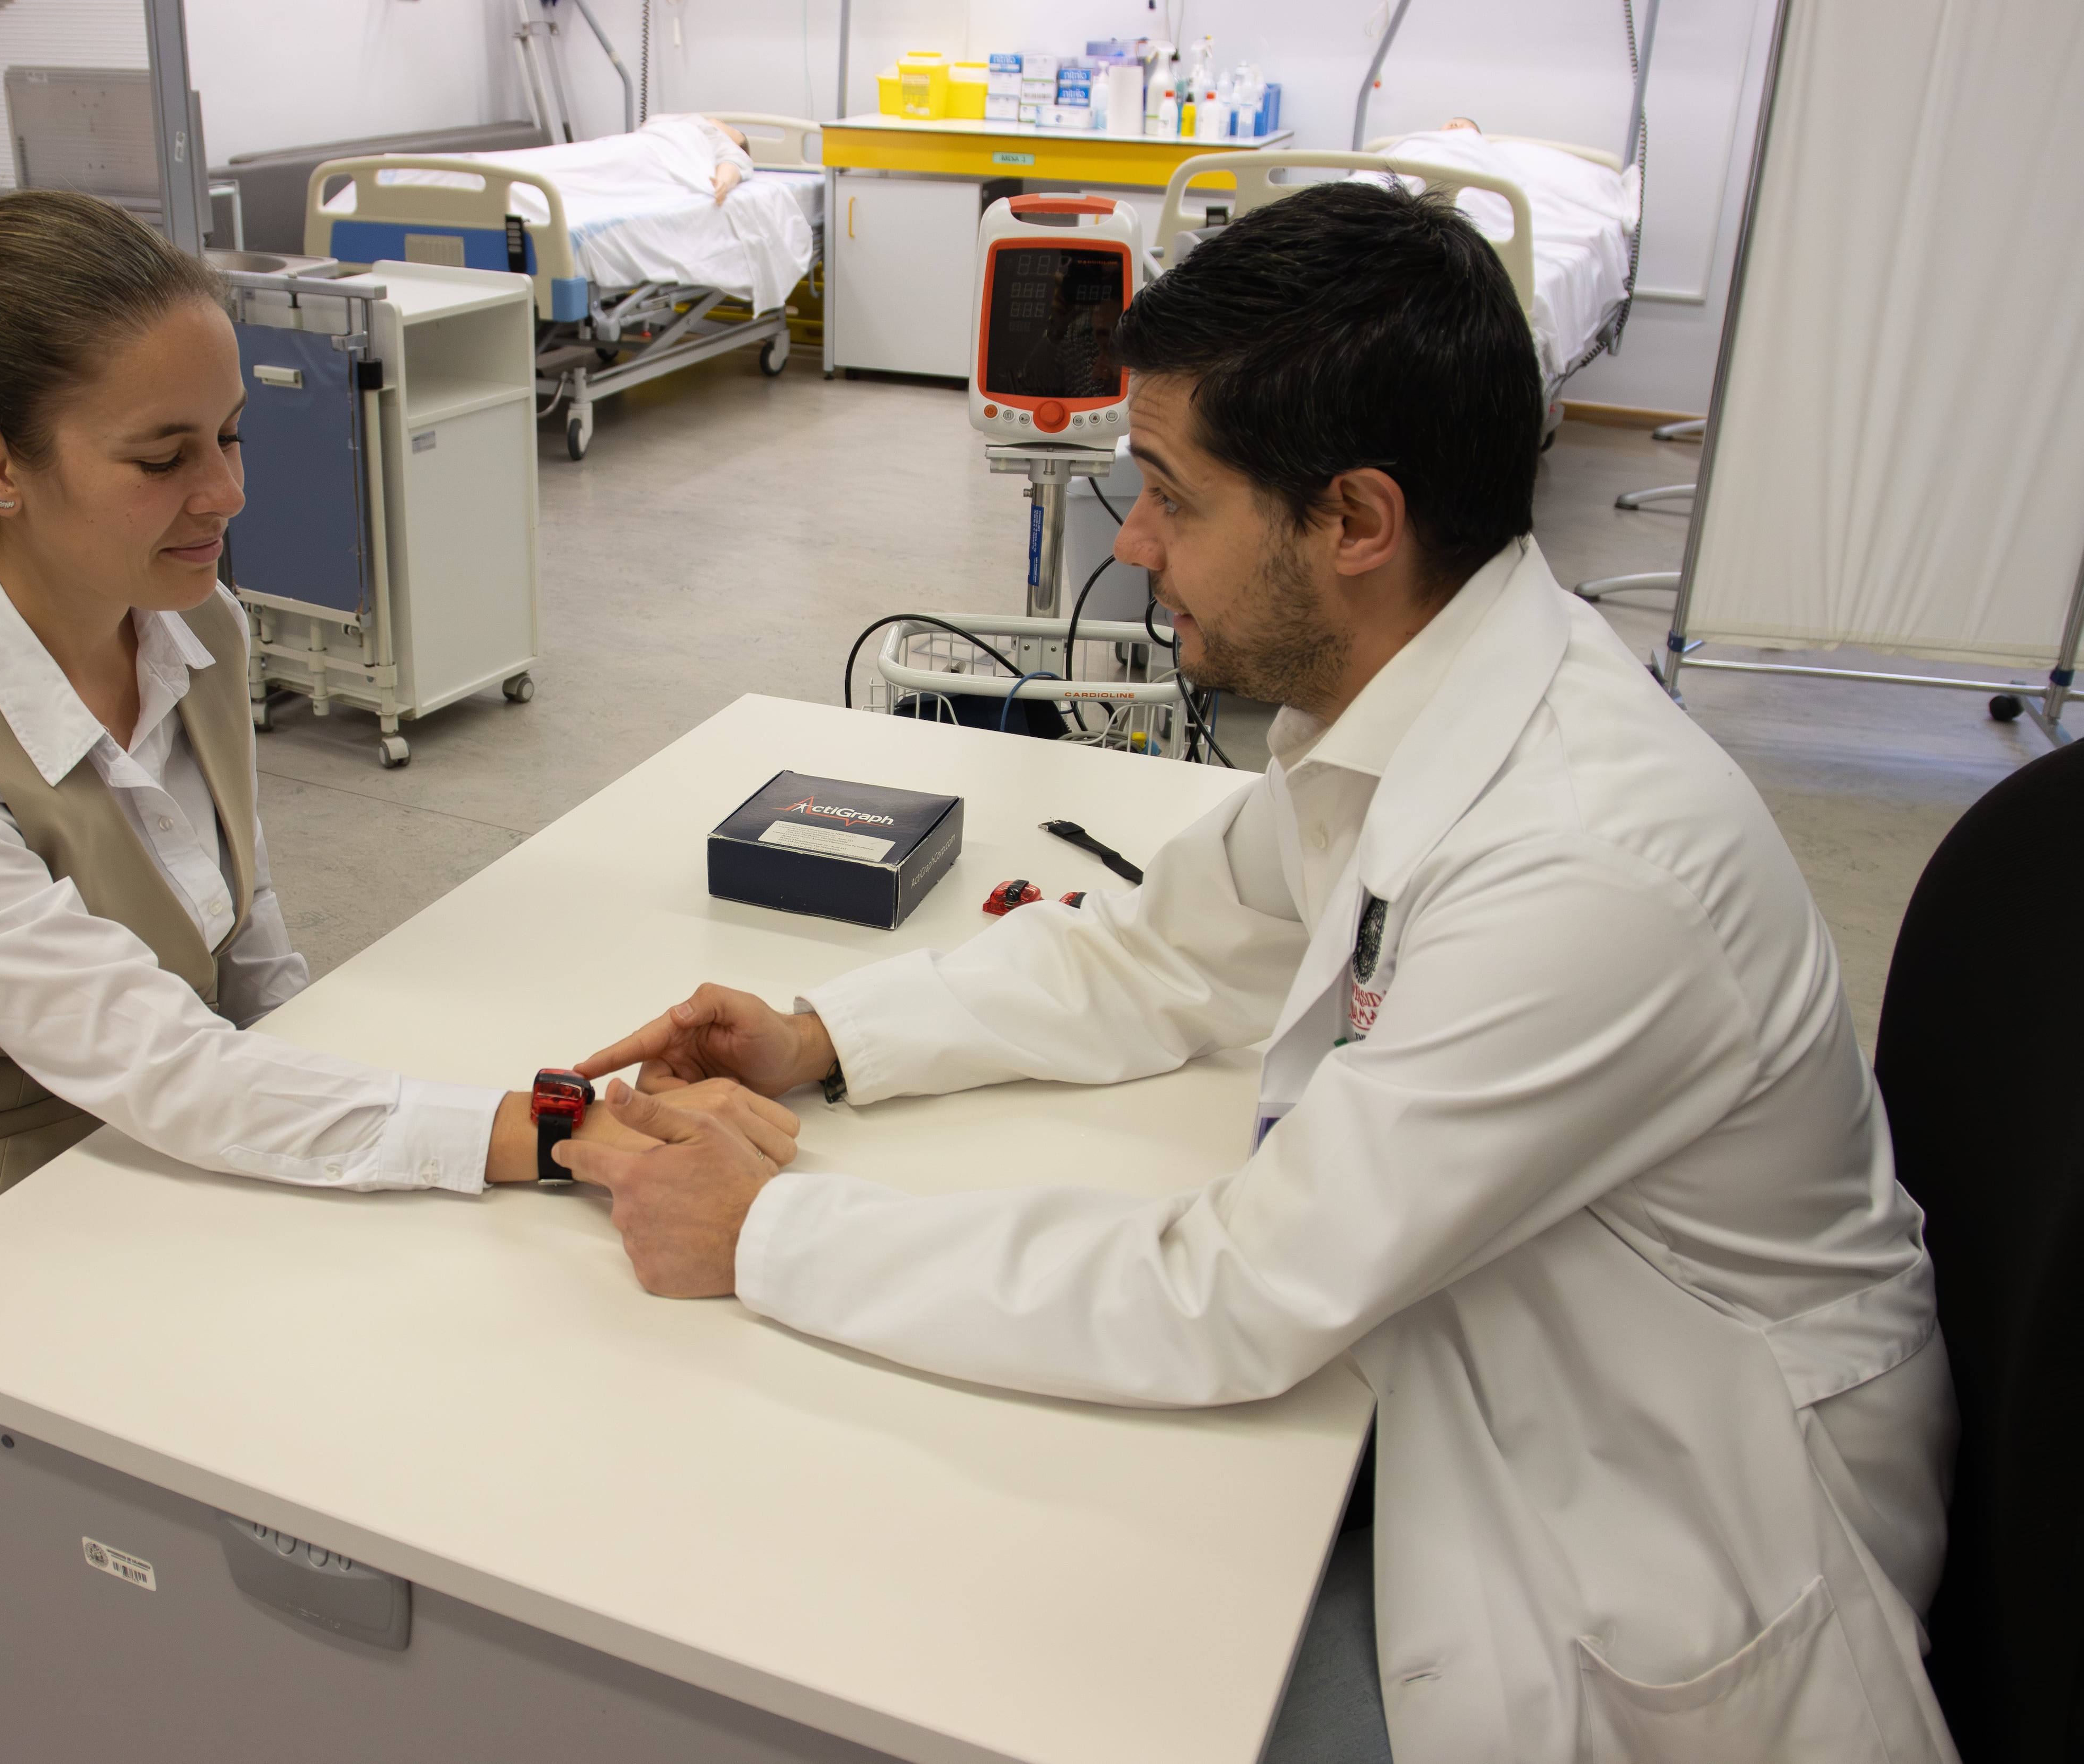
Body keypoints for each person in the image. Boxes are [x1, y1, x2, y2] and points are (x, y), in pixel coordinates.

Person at [562, 181, 1956, 1763]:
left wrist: (773, 1231)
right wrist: (822, 1032)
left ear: (1355, 521)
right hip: (1489, 1365)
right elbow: (1167, 951)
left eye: (1171, 493)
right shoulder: (1414, 696)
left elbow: (1235, 1294)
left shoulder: (1583, 861)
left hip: (1663, 1520)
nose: (1135, 542)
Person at [0, 190, 796, 1476]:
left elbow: (247, 964)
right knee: (253, 1492)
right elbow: (166, 1069)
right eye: (164, 457)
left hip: (133, 1151)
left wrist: (436, 1118)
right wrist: (550, 1123)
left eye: (234, 435)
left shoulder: (194, 630)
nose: (228, 492)